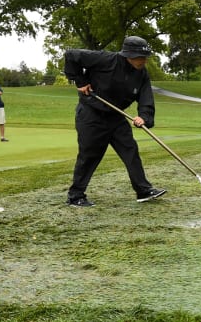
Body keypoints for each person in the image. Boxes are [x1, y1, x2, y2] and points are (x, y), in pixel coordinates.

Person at [63, 36, 167, 207]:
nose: (143, 61)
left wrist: (144, 116)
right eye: (139, 57)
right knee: (90, 155)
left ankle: (143, 190)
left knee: (130, 150)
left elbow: (146, 97)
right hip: (91, 115)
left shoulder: (141, 73)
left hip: (116, 116)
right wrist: (81, 81)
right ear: (128, 55)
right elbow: (71, 55)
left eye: (144, 57)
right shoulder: (105, 59)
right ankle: (75, 196)